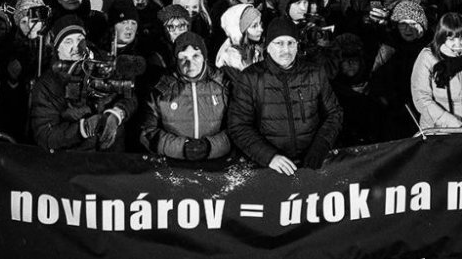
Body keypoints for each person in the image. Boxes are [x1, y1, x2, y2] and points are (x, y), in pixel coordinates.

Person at [227, 17, 343, 174]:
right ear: (267, 46)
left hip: (311, 164)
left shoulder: (314, 72)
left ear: (297, 45)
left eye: (291, 43)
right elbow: (238, 125)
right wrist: (269, 157)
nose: (286, 50)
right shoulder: (251, 77)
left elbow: (334, 113)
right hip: (269, 168)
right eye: (279, 43)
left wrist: (321, 146)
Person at [29, 15, 137, 151]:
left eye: (80, 40)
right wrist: (83, 128)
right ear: (57, 48)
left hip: (112, 155)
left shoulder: (104, 64)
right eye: (68, 41)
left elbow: (129, 95)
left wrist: (117, 113)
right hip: (74, 161)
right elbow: (45, 135)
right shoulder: (48, 84)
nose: (76, 47)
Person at [140, 31, 232, 163]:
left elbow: (237, 129)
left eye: (196, 56)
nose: (190, 64)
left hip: (216, 165)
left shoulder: (223, 84)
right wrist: (181, 148)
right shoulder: (161, 89)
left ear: (204, 57)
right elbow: (147, 132)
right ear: (176, 60)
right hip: (173, 165)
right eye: (183, 58)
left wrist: (210, 147)